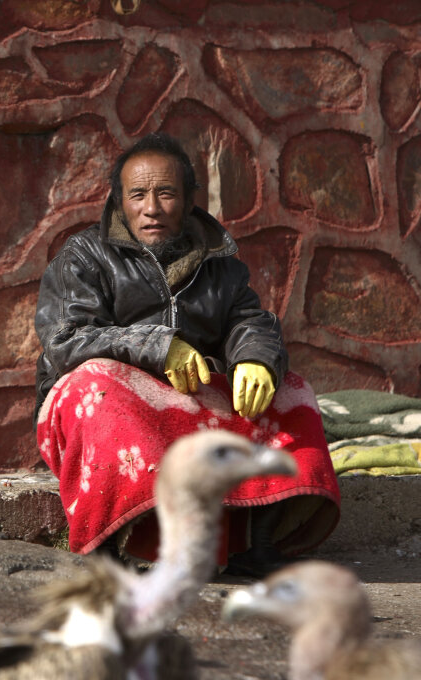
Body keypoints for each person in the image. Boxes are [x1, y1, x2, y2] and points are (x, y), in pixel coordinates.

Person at [33, 132, 340, 577]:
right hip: (99, 406)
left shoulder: (222, 266)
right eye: (137, 195)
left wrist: (254, 357)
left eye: (166, 193)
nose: (152, 207)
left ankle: (261, 544)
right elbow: (66, 340)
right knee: (96, 383)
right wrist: (157, 346)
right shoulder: (84, 256)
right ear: (119, 201)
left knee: (289, 390)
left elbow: (248, 322)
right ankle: (112, 546)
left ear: (189, 199)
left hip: (186, 402)